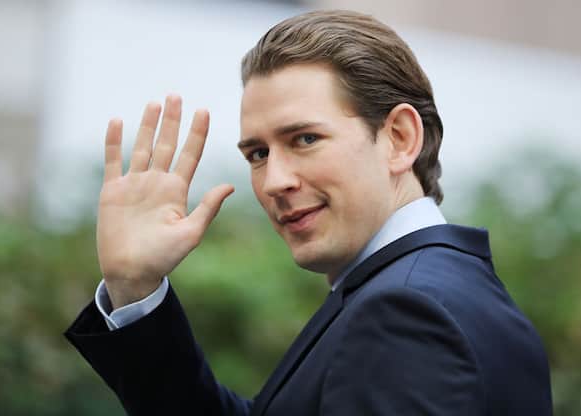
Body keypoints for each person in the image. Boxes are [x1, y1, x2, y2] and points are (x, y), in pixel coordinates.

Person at [65, 9, 553, 415]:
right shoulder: (433, 293)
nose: (274, 181)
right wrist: (135, 287)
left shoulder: (406, 313)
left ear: (400, 139)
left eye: (305, 139)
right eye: (258, 154)